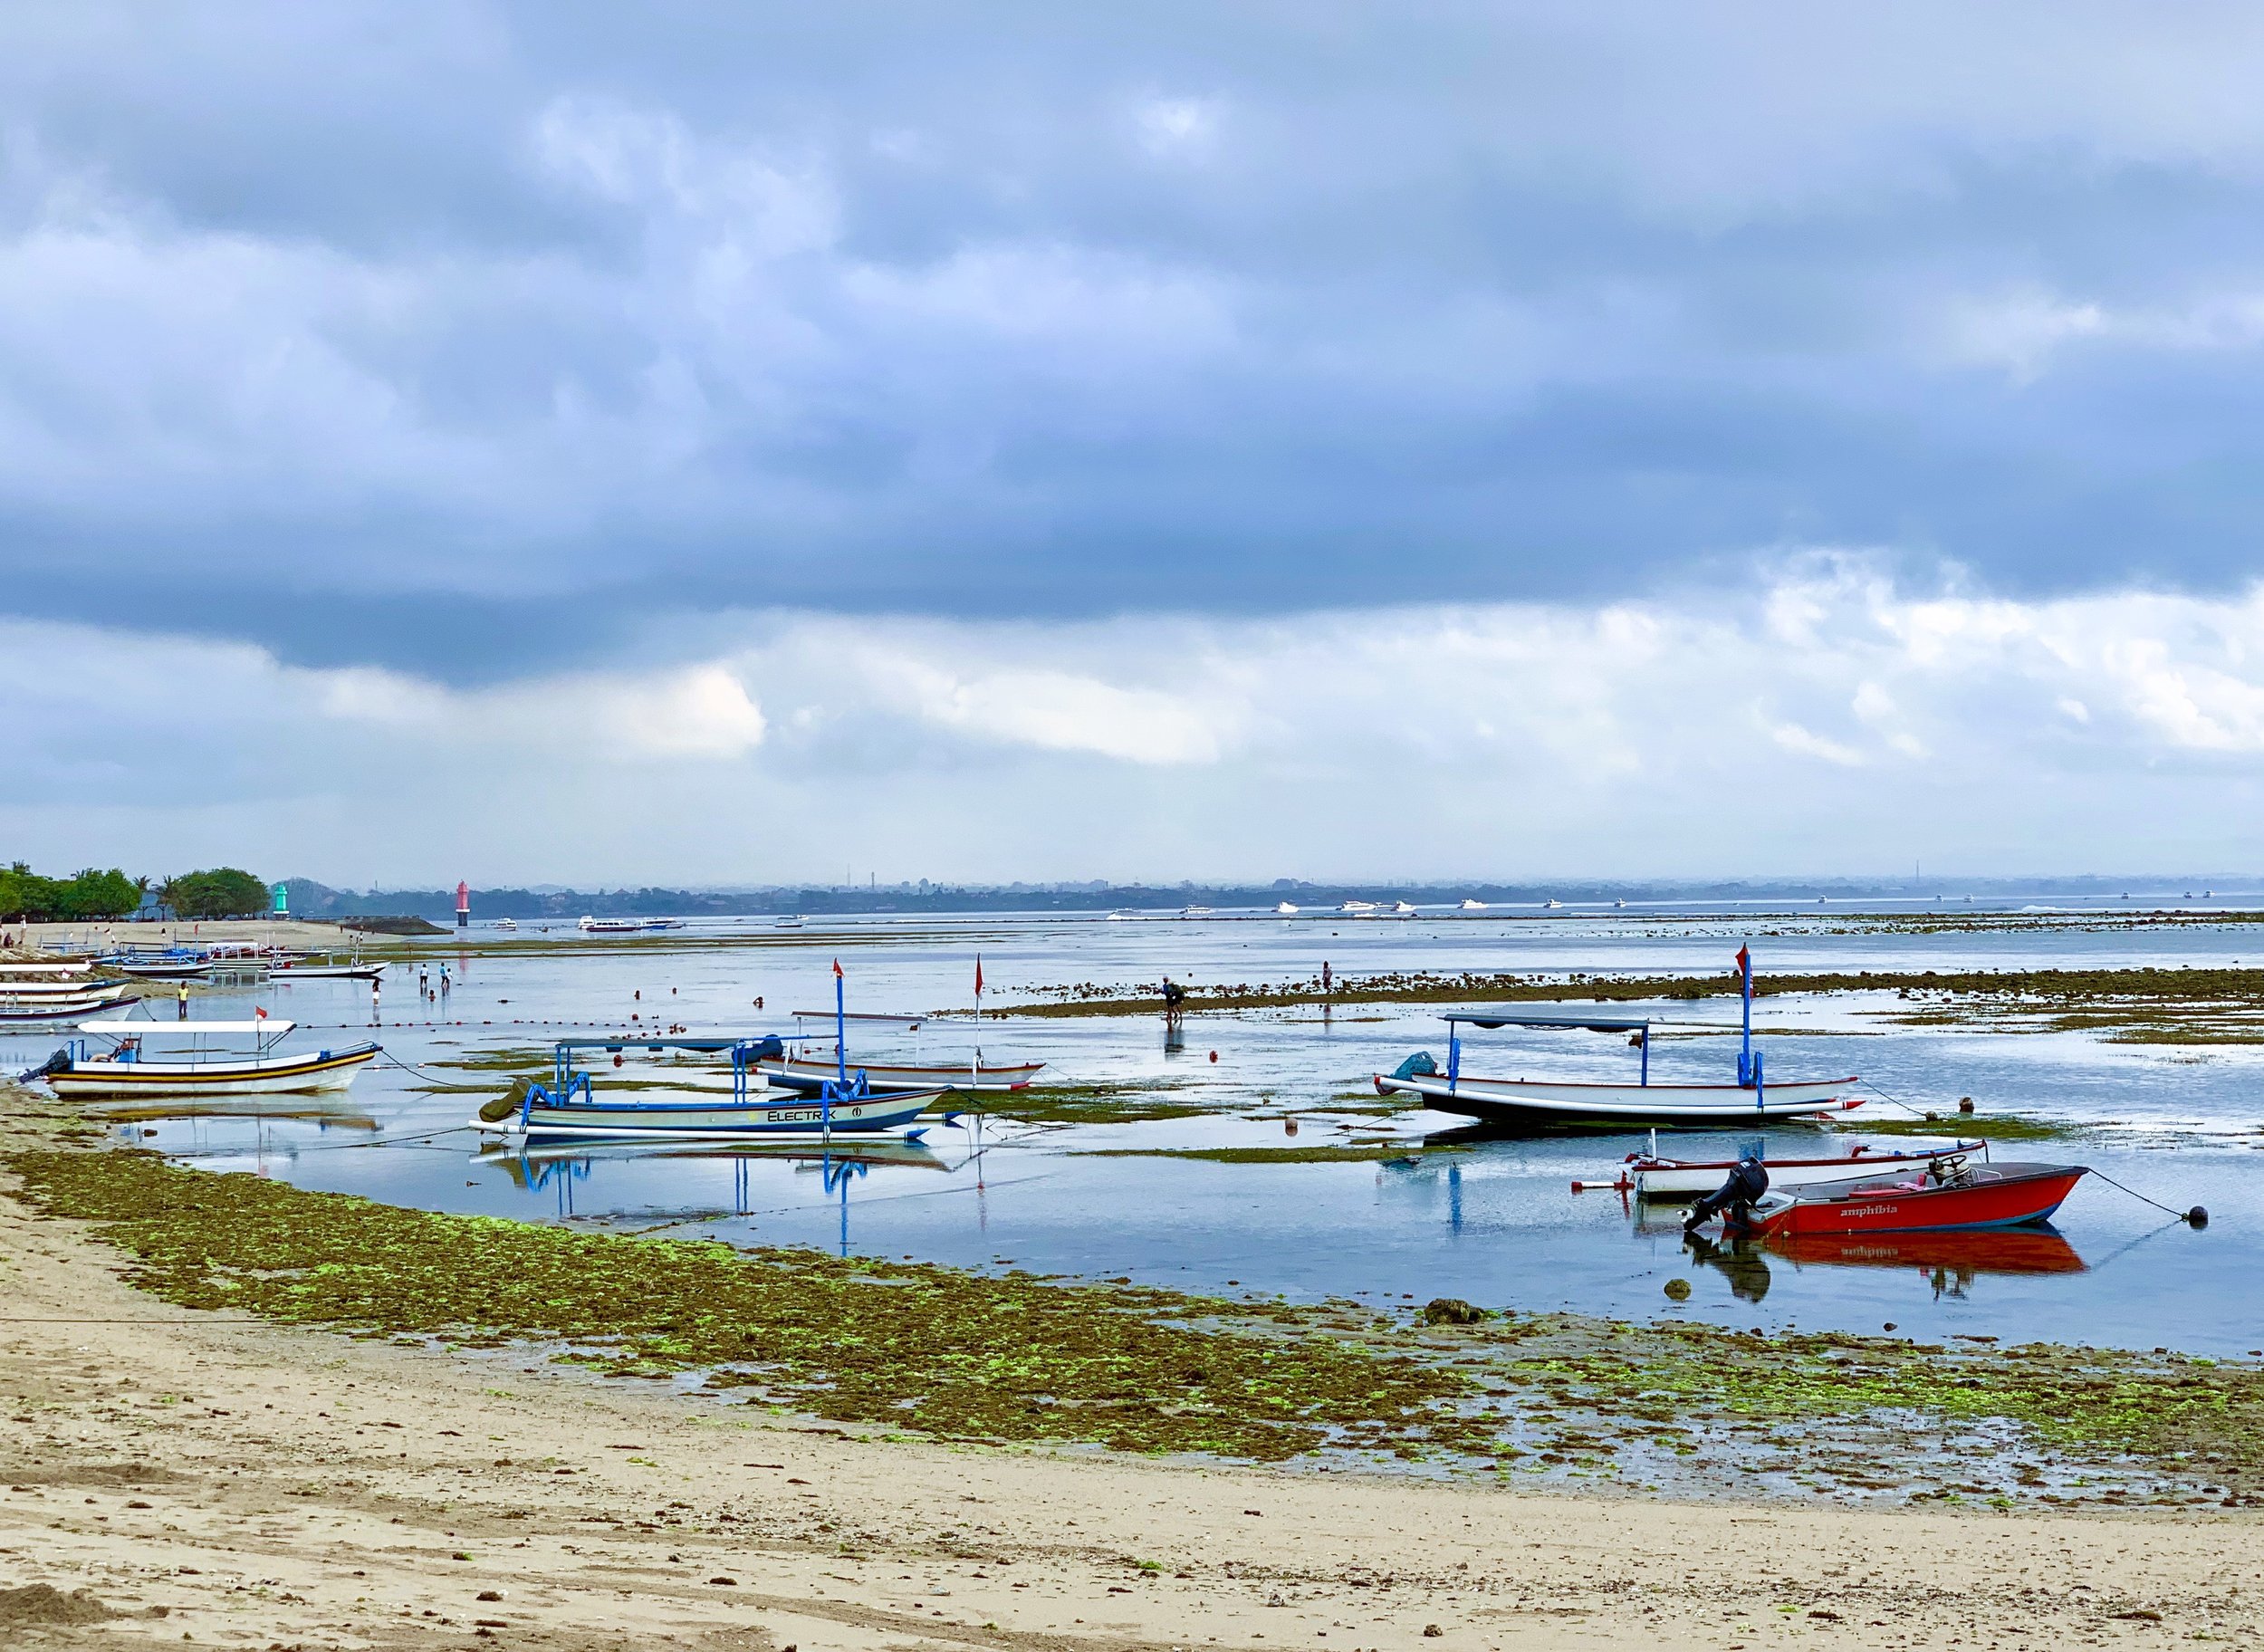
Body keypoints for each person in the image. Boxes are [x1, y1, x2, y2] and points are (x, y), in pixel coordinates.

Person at [1684, 1153, 1769, 1234]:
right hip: (1738, 1183)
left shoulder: (1740, 1181)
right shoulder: (1742, 1184)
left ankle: (1703, 1209)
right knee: (1712, 1204)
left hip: (1737, 1181)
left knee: (1712, 1203)